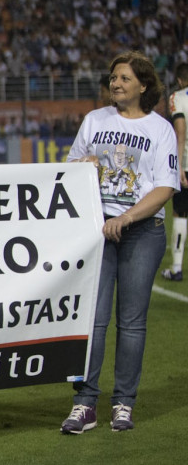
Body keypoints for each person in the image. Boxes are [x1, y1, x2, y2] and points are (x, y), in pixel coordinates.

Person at [60, 51, 180, 435]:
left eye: (124, 78)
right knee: (93, 321)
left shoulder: (160, 129)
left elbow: (165, 186)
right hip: (99, 232)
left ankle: (123, 403)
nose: (116, 83)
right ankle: (84, 403)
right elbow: (69, 166)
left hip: (141, 232)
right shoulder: (95, 120)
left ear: (143, 85)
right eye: (113, 78)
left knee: (131, 324)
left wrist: (127, 217)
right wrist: (83, 166)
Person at [161, 63, 188, 281]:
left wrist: (178, 167)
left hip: (186, 165)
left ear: (179, 80)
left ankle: (177, 268)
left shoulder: (176, 98)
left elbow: (180, 131)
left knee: (180, 213)